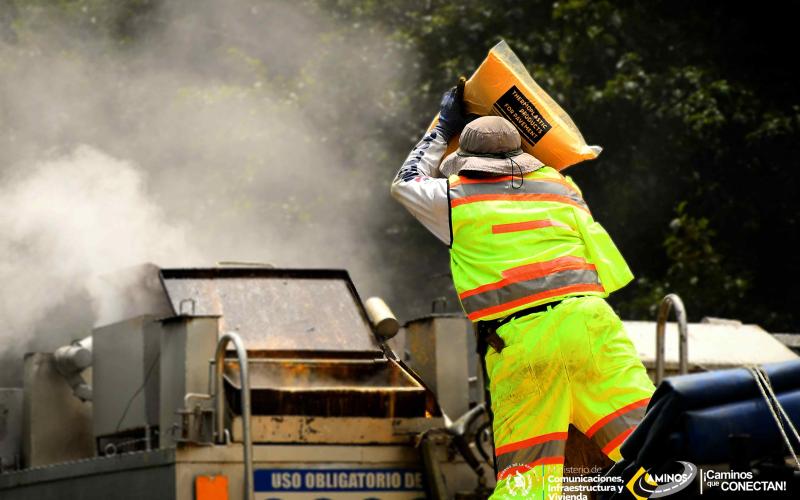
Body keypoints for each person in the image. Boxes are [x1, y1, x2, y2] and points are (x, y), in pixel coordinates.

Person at [390, 86, 655, 498]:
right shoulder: (560, 187)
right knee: (654, 454)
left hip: (523, 343)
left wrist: (442, 128)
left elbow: (404, 183)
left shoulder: (452, 199)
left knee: (527, 482)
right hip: (592, 327)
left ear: (466, 160)